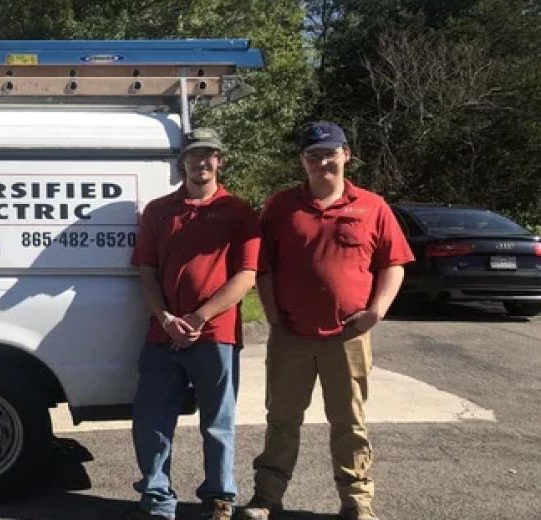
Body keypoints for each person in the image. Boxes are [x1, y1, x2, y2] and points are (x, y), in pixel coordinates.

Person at [239, 122, 413, 520]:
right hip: (292, 336)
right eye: (313, 156)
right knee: (281, 419)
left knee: (349, 422)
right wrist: (272, 316)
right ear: (303, 161)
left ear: (346, 155)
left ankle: (357, 502)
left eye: (329, 154)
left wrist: (376, 311)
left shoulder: (372, 206)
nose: (322, 163)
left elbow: (395, 263)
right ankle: (267, 497)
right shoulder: (281, 206)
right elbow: (263, 268)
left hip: (348, 336)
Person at [127, 128, 261, 520]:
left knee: (218, 422)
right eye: (193, 155)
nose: (201, 162)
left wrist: (200, 316)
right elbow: (147, 271)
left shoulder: (239, 212)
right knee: (152, 420)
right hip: (163, 333)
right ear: (182, 161)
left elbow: (247, 275)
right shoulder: (158, 210)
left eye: (209, 155)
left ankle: (220, 497)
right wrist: (166, 317)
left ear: (219, 160)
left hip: (215, 335)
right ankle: (156, 498)